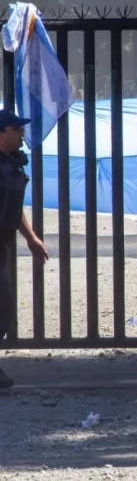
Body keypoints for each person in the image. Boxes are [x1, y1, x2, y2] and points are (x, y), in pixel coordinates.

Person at [0, 110, 48, 390]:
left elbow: (12, 206)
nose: (21, 134)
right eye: (16, 130)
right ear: (2, 133)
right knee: (4, 304)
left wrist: (31, 238)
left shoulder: (11, 165)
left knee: (4, 306)